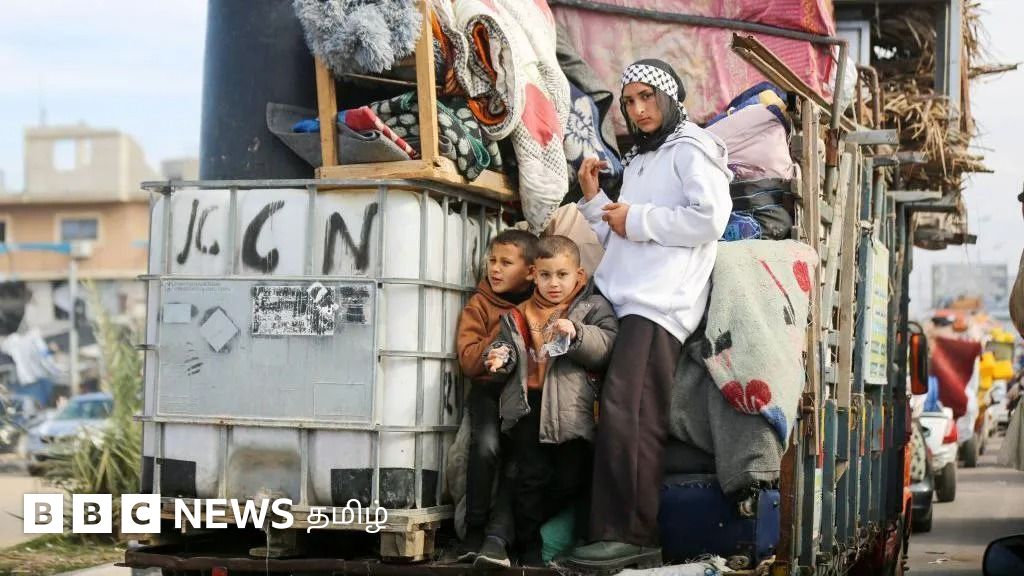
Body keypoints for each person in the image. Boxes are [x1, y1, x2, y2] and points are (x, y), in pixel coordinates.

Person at [568, 59, 733, 570]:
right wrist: (597, 203)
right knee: (616, 413)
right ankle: (612, 529)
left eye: (647, 98)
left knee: (632, 412)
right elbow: (626, 236)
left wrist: (634, 217)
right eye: (630, 101)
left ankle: (633, 535)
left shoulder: (691, 148)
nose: (638, 110)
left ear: (670, 98)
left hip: (660, 304)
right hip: (629, 299)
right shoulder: (643, 157)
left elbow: (710, 219)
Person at [474, 235, 618, 568]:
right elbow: (508, 349)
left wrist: (577, 333)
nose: (554, 284)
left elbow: (607, 345)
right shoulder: (519, 313)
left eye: (562, 275)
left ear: (579, 276)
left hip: (571, 409)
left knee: (571, 478)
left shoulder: (592, 307)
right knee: (530, 478)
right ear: (533, 275)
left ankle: (542, 533)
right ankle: (528, 549)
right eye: (545, 275)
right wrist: (498, 357)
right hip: (528, 407)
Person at [454, 229, 538, 561]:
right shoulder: (481, 304)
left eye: (506, 262)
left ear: (530, 271)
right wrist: (503, 331)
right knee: (486, 447)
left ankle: (502, 537)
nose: (495, 269)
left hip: (524, 395)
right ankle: (474, 532)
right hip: (488, 390)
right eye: (492, 261)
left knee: (519, 461)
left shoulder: (539, 302)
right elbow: (469, 360)